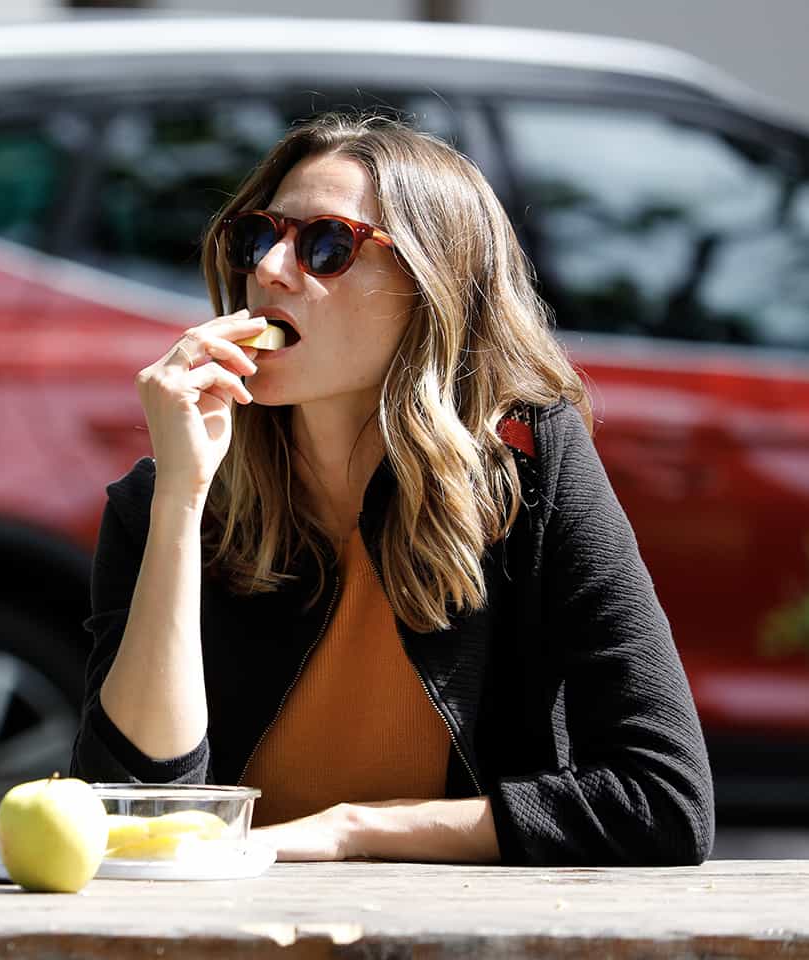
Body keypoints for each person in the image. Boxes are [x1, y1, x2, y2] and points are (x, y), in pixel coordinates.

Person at [69, 112, 714, 866]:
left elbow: (662, 799)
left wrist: (351, 831)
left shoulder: (528, 464)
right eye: (257, 236)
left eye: (327, 246)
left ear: (428, 288)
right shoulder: (166, 497)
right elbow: (132, 818)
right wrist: (181, 498)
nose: (270, 269)